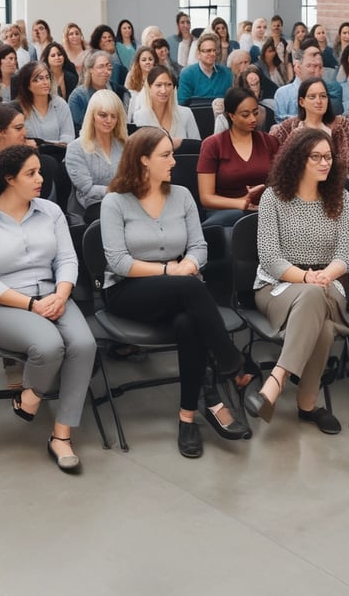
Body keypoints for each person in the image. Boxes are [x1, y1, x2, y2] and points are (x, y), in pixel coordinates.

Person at [100, 127, 250, 458]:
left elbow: (199, 246)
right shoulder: (115, 202)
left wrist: (188, 265)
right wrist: (172, 270)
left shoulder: (181, 195)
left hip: (180, 290)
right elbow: (119, 262)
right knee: (189, 288)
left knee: (187, 323)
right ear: (143, 160)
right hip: (129, 291)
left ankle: (187, 417)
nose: (173, 161)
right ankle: (231, 362)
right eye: (165, 155)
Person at [0, 145, 96, 472]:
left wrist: (62, 294)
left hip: (52, 294)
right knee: (48, 345)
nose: (40, 179)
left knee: (84, 344)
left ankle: (61, 434)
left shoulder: (50, 211)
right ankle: (31, 394)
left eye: (40, 172)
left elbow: (66, 259)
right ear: (9, 179)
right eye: (31, 174)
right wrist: (32, 305)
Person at [245, 129, 349, 433]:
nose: (325, 163)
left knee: (315, 299)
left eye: (329, 157)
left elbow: (345, 255)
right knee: (323, 324)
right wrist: (307, 277)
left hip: (328, 282)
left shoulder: (342, 197)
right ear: (297, 159)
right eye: (316, 157)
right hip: (278, 286)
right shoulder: (273, 197)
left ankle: (275, 381)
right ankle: (307, 406)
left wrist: (323, 276)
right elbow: (269, 257)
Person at [197, 86, 279, 226]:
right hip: (226, 214)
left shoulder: (269, 142)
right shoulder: (213, 145)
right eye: (245, 115)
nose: (253, 119)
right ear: (231, 116)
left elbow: (281, 183)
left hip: (265, 211)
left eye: (255, 112)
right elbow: (206, 198)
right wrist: (241, 203)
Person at [269, 77, 349, 176]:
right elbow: (278, 161)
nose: (319, 101)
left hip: (336, 180)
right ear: (302, 102)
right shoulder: (289, 127)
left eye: (323, 96)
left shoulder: (341, 124)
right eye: (312, 97)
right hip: (297, 182)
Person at [64, 90, 127, 223]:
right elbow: (87, 189)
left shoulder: (124, 145)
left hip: (124, 202)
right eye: (103, 115)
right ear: (92, 116)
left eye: (113, 116)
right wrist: (116, 190)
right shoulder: (76, 148)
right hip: (91, 206)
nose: (108, 121)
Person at [133, 65, 200, 146]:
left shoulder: (186, 113)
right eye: (158, 85)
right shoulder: (139, 116)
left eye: (168, 85)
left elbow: (197, 147)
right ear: (150, 87)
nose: (164, 90)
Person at [13, 61, 74, 146]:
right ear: (28, 85)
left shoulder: (60, 104)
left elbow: (68, 137)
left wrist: (45, 144)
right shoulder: (18, 108)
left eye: (47, 77)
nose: (45, 82)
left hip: (59, 154)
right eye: (39, 79)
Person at [68, 50, 120, 130]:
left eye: (108, 66)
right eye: (101, 67)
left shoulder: (117, 91)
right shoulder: (78, 96)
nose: (106, 71)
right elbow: (78, 127)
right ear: (90, 69)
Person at [177, 33, 233, 106]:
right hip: (195, 116)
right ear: (198, 54)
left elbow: (231, 102)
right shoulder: (187, 74)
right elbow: (182, 103)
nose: (212, 54)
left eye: (214, 50)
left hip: (222, 116)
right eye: (208, 51)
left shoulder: (226, 73)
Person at [214, 67, 270, 133]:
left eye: (257, 84)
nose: (254, 90)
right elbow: (217, 142)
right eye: (251, 85)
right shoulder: (223, 118)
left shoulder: (262, 112)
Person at [124, 46, 155, 121]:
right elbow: (127, 98)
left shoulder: (159, 75)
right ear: (138, 62)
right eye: (144, 60)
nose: (147, 62)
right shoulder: (131, 75)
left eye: (150, 59)